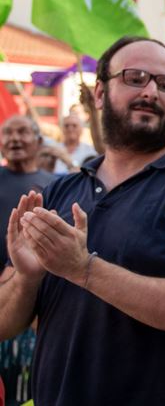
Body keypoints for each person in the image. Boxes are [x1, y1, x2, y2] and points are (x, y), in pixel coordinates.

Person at [0, 37, 165, 405]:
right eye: (135, 78)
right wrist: (27, 276)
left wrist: (83, 269)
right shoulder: (59, 191)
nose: (151, 91)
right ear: (100, 93)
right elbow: (5, 323)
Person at [0, 115, 55, 405]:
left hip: (33, 309)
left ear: (39, 140)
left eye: (22, 132)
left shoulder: (57, 186)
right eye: (7, 133)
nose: (14, 139)